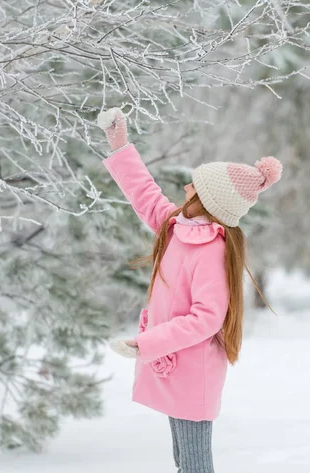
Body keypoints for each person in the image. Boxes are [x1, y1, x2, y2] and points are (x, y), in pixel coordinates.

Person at [98, 108, 282, 473]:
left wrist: (147, 342)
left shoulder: (211, 249)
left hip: (192, 369)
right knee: (185, 462)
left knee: (195, 466)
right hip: (175, 365)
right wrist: (121, 146)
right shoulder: (177, 228)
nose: (186, 188)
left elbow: (207, 318)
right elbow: (145, 195)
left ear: (208, 202)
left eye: (194, 187)